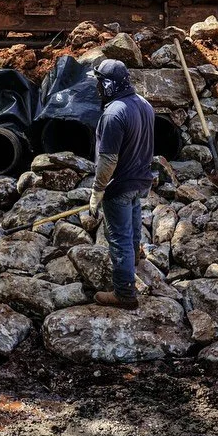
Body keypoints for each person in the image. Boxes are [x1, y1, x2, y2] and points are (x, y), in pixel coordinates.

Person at [87, 58, 156, 310]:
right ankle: (135, 260)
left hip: (119, 185)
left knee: (119, 237)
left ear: (109, 84)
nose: (97, 88)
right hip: (140, 179)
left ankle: (124, 292)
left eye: (99, 83)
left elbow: (107, 160)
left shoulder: (114, 113)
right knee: (134, 222)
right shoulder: (145, 105)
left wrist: (97, 191)